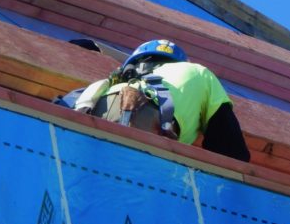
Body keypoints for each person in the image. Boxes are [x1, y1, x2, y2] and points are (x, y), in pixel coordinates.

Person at [72, 39, 250, 162]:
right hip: (146, 122)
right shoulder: (199, 73)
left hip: (95, 113)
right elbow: (230, 150)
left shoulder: (122, 79)